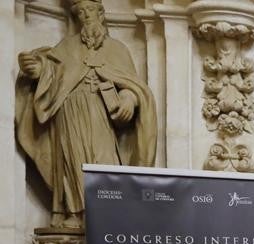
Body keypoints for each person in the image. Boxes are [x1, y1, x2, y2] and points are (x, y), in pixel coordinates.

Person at [16, 0, 156, 227]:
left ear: (100, 13)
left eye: (89, 10)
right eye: (80, 12)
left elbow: (133, 84)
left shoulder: (117, 49)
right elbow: (50, 71)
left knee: (103, 159)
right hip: (68, 111)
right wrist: (35, 68)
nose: (85, 16)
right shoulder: (66, 47)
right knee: (73, 162)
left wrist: (129, 98)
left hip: (99, 111)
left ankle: (109, 212)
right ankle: (75, 214)